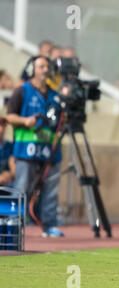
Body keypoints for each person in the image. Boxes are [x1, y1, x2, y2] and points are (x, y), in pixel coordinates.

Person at [6, 56, 64, 237]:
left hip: (49, 150)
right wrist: (25, 121)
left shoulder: (55, 95)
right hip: (26, 149)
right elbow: (9, 117)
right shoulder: (21, 91)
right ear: (32, 69)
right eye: (41, 66)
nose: (45, 70)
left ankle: (49, 225)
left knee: (51, 190)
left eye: (47, 66)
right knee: (21, 188)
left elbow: (61, 120)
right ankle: (13, 225)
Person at [0, 117, 15, 188]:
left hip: (7, 188)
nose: (1, 129)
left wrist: (9, 175)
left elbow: (14, 171)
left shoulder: (10, 146)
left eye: (3, 125)